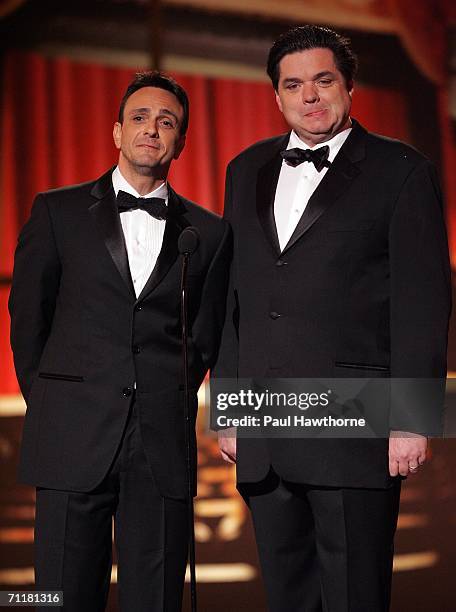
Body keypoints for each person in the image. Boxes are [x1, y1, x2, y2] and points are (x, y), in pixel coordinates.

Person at [213, 25, 451, 612]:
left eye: (323, 81)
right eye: (294, 85)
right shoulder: (245, 170)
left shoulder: (402, 171)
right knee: (289, 599)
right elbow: (231, 297)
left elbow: (424, 302)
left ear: (349, 87)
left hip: (356, 426)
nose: (310, 96)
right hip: (265, 426)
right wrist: (228, 409)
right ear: (277, 97)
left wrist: (411, 420)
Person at [9, 71, 230, 611]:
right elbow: (27, 319)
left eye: (166, 121)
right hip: (70, 435)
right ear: (116, 131)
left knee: (155, 599)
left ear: (181, 140)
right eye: (139, 117)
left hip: (159, 442)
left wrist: (169, 395)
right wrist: (55, 403)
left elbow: (206, 334)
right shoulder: (56, 212)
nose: (151, 129)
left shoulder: (210, 232)